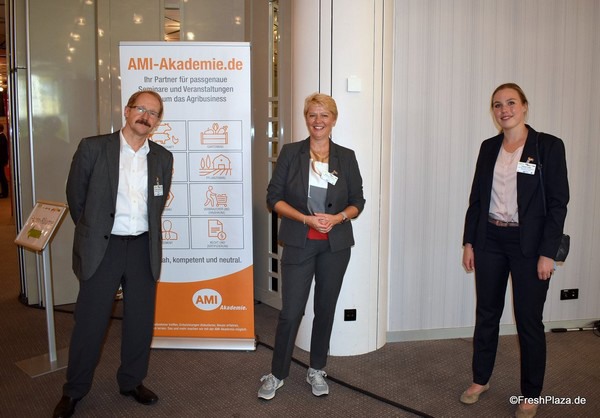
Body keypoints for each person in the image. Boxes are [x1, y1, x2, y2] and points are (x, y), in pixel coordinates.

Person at [52, 91, 173, 418]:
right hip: (103, 248)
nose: (146, 116)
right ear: (127, 111)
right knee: (90, 323)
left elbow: (157, 202)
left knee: (140, 322)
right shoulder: (93, 148)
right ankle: (74, 390)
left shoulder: (162, 157)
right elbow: (76, 197)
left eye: (153, 113)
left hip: (142, 247)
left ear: (157, 121)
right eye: (141, 109)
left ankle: (132, 381)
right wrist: (94, 232)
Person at [461, 83, 569, 418]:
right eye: (497, 105)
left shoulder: (547, 146)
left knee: (528, 320)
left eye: (510, 103)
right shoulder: (489, 147)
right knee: (487, 314)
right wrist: (469, 242)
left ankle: (531, 393)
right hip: (490, 239)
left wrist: (548, 253)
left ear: (524, 106)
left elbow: (558, 203)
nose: (504, 110)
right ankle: (480, 379)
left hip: (530, 245)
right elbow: (477, 199)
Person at [258, 93, 365, 400]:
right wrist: (305, 219)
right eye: (312, 115)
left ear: (334, 119)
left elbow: (358, 201)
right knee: (291, 312)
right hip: (299, 243)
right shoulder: (291, 153)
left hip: (335, 246)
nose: (318, 121)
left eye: (324, 115)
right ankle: (277, 373)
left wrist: (338, 217)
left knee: (325, 310)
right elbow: (273, 198)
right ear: (306, 118)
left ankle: (316, 369)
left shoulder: (346, 156)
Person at [0, 124, 8, 198]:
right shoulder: (2, 137)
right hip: (2, 160)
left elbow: (1, 150)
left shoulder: (2, 137)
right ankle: (4, 192)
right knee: (2, 176)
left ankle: (5, 193)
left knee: (2, 176)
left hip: (1, 160)